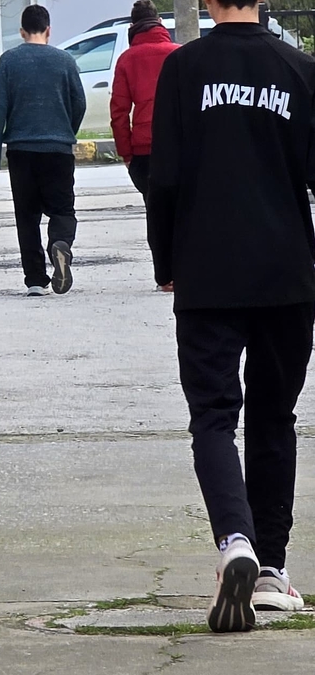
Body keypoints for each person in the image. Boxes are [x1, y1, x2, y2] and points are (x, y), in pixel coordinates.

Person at [149, 0, 315, 633]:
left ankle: (234, 543)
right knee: (276, 416)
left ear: (208, 3)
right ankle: (271, 569)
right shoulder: (300, 70)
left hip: (207, 270)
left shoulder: (183, 69)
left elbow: (163, 178)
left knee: (213, 417)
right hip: (286, 274)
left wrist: (167, 261)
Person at [0, 4, 85, 297]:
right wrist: (66, 130)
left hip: (22, 150)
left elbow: (0, 108)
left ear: (21, 32)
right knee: (63, 209)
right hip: (58, 149)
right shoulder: (65, 61)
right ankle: (61, 243)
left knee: (26, 216)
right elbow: (79, 103)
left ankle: (35, 280)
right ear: (49, 31)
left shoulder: (9, 61)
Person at [109, 0, 178, 291]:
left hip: (144, 150)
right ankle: (189, 270)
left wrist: (126, 153)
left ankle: (165, 276)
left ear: (132, 28)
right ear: (159, 22)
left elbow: (119, 112)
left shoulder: (127, 59)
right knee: (185, 210)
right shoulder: (179, 54)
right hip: (179, 145)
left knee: (156, 210)